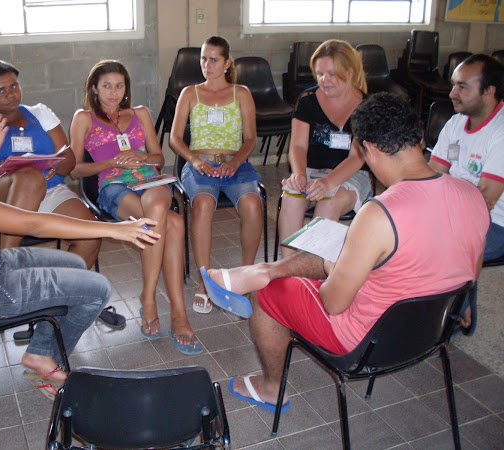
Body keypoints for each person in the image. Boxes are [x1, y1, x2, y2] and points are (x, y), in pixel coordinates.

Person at [200, 93, 489, 411]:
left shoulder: (382, 213)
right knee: (342, 246)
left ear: (370, 150)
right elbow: (468, 274)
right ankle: (263, 269)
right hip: (430, 334)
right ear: (420, 137)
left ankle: (270, 386)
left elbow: (332, 302)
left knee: (266, 293)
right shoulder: (471, 194)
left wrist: (331, 265)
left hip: (365, 343)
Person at [0, 95, 160, 400]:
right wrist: (115, 229)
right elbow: (33, 224)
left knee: (78, 266)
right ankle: (41, 354)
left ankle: (40, 348)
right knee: (98, 290)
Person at [69, 60, 202, 355]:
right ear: (94, 88)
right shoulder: (84, 118)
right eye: (106, 86)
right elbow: (75, 170)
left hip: (150, 181)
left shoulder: (140, 113)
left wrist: (141, 159)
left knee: (157, 204)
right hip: (114, 188)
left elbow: (158, 157)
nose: (114, 92)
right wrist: (111, 162)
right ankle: (174, 311)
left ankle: (151, 298)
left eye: (119, 86)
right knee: (174, 223)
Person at [0, 60, 101, 271]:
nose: (11, 94)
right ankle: (7, 265)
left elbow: (68, 160)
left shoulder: (40, 113)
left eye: (14, 86)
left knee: (90, 236)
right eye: (1, 90)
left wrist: (56, 164)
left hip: (48, 188)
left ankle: (58, 293)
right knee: (28, 176)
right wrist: (6, 165)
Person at [170, 36, 264, 313]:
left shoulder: (241, 93)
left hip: (234, 163)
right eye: (203, 58)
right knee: (204, 205)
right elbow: (175, 139)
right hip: (199, 163)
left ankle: (246, 274)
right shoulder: (190, 93)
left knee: (252, 204)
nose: (206, 65)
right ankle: (205, 280)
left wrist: (235, 162)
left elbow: (250, 139)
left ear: (226, 63)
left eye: (213, 59)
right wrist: (195, 160)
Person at [278, 39, 373, 259]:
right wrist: (299, 174)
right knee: (291, 198)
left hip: (351, 174)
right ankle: (288, 269)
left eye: (331, 74)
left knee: (328, 204)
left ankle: (315, 271)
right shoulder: (308, 100)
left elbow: (356, 158)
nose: (324, 80)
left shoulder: (366, 106)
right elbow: (298, 146)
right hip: (311, 169)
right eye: (319, 74)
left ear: (349, 72)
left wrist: (327, 183)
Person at [430, 54, 504, 263]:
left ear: (489, 91)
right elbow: (434, 173)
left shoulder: (500, 132)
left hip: (495, 223)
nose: (453, 93)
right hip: (455, 210)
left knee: (435, 252)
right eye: (454, 85)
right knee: (396, 232)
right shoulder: (455, 123)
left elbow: (485, 201)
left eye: (462, 87)